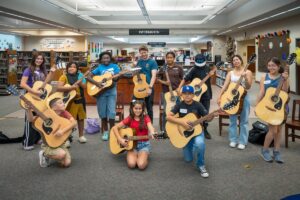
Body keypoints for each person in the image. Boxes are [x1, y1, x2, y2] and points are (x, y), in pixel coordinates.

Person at [167, 85, 216, 178]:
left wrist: (212, 116)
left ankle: (201, 165)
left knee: (200, 144)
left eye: (189, 94)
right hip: (184, 134)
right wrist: (182, 122)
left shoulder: (198, 105)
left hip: (197, 131)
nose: (187, 96)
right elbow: (168, 117)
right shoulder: (179, 105)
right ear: (181, 95)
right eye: (185, 94)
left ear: (193, 95)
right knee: (188, 159)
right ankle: (191, 146)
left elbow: (207, 119)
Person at [256, 57, 289, 163]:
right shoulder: (264, 77)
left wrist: (286, 79)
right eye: (269, 65)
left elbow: (285, 92)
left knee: (279, 130)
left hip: (281, 107)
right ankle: (265, 150)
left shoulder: (283, 77)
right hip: (269, 107)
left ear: (278, 66)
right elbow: (261, 91)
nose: (271, 67)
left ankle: (276, 151)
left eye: (273, 65)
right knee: (273, 130)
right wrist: (257, 105)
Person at [26, 98, 77, 168]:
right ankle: (44, 154)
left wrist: (62, 131)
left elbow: (74, 123)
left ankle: (58, 153)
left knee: (66, 164)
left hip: (61, 142)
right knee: (61, 155)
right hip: (49, 143)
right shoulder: (47, 114)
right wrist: (28, 110)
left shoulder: (64, 112)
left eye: (63, 102)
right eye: (60, 103)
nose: (63, 104)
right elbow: (31, 120)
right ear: (54, 107)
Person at [20, 52, 55, 150]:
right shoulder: (28, 70)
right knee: (30, 119)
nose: (39, 60)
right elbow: (22, 84)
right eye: (37, 59)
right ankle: (27, 142)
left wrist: (52, 72)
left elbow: (48, 81)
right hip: (31, 97)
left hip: (41, 98)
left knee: (39, 118)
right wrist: (34, 91)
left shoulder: (43, 70)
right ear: (34, 59)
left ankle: (36, 139)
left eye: (41, 59)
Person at [217, 55, 253, 150]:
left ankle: (242, 141)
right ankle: (233, 140)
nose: (235, 61)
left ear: (241, 61)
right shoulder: (230, 73)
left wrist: (245, 78)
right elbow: (225, 86)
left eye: (237, 59)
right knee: (232, 120)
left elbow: (248, 86)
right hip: (232, 98)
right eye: (234, 60)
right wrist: (220, 96)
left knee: (244, 120)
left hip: (244, 98)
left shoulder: (248, 72)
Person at [111, 99, 156, 170]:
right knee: (131, 165)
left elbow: (150, 127)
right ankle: (137, 156)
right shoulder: (130, 118)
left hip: (144, 145)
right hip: (131, 146)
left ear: (143, 109)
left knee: (141, 165)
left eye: (140, 108)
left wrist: (153, 133)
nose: (138, 110)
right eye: (136, 108)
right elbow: (114, 128)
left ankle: (144, 156)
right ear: (132, 108)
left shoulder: (146, 117)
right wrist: (120, 139)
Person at [177, 54, 213, 139]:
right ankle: (194, 129)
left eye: (201, 61)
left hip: (206, 94)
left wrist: (212, 73)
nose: (200, 62)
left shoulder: (207, 68)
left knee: (205, 112)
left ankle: (205, 129)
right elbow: (185, 79)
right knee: (194, 113)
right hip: (195, 96)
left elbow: (211, 73)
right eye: (198, 61)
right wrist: (179, 88)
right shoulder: (193, 69)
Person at [90, 52, 120, 141]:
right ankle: (106, 132)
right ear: (101, 59)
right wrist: (97, 83)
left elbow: (117, 78)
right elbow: (88, 76)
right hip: (101, 92)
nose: (106, 60)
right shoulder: (99, 67)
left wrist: (115, 77)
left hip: (112, 91)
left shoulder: (115, 66)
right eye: (104, 58)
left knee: (111, 112)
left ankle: (112, 131)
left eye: (107, 58)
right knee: (102, 113)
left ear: (110, 58)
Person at [57, 62, 87, 144]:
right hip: (69, 101)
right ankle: (66, 138)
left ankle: (81, 136)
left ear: (77, 69)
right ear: (67, 68)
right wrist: (71, 87)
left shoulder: (80, 76)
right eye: (70, 67)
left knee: (81, 118)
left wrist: (80, 82)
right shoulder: (64, 76)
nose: (72, 68)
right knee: (68, 119)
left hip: (80, 100)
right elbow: (58, 88)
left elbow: (85, 87)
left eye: (74, 67)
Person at [157, 51, 183, 137]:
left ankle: (177, 128)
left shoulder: (179, 67)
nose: (169, 59)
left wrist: (180, 89)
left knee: (178, 111)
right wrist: (164, 82)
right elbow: (157, 78)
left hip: (177, 93)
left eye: (171, 57)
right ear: (166, 58)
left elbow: (183, 79)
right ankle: (165, 130)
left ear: (174, 58)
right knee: (166, 112)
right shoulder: (163, 68)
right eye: (167, 57)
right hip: (166, 93)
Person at [135, 45, 158, 122]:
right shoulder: (139, 62)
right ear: (139, 53)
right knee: (139, 107)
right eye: (141, 53)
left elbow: (154, 76)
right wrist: (133, 68)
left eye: (144, 52)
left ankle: (150, 124)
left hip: (149, 87)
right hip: (140, 88)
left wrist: (150, 88)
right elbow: (137, 74)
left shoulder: (152, 62)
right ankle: (141, 124)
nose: (143, 54)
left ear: (147, 52)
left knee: (149, 108)